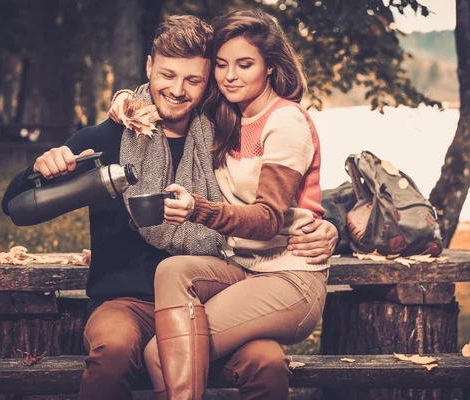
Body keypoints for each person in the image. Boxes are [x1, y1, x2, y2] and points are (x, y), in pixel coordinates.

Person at [3, 15, 337, 400]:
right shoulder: (106, 139)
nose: (177, 90)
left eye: (193, 80)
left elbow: (278, 192)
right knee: (112, 349)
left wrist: (329, 227)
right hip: (125, 301)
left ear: (208, 79)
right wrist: (40, 170)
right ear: (149, 67)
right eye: (167, 75)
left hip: (209, 298)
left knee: (267, 363)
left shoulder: (221, 132)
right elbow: (13, 205)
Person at [117, 10, 330, 400]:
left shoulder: (285, 122)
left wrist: (199, 209)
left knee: (164, 354)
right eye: (222, 65)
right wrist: (122, 104)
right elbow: (165, 94)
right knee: (172, 272)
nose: (230, 75)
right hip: (244, 270)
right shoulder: (228, 117)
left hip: (291, 280)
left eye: (245, 64)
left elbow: (268, 218)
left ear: (269, 68)